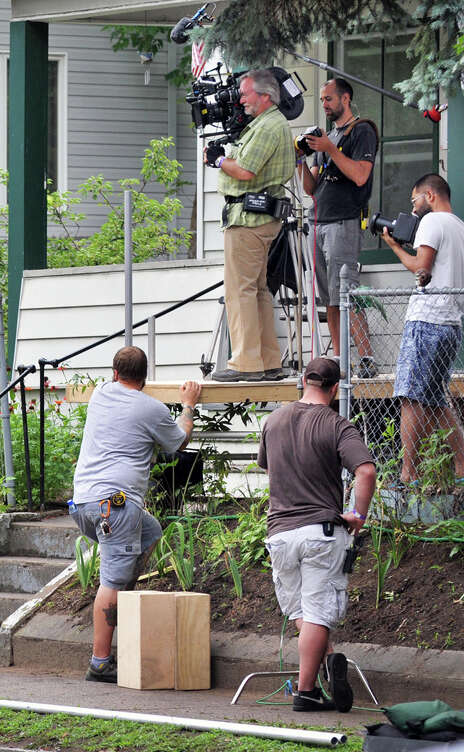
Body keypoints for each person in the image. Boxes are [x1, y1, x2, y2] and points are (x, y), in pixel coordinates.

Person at [70, 346, 202, 683]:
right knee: (111, 580)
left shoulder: (100, 393)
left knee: (150, 532)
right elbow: (178, 441)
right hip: (115, 506)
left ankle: (123, 605)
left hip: (85, 504)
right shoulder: (150, 408)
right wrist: (188, 405)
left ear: (114, 373)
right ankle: (100, 662)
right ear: (144, 377)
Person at [258, 357, 375, 712]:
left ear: (302, 381)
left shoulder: (273, 421)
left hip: (279, 533)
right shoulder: (338, 425)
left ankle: (327, 659)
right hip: (320, 534)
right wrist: (357, 514)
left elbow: (268, 466)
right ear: (335, 388)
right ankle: (306, 692)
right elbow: (366, 472)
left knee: (302, 612)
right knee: (318, 614)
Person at [204, 69, 294, 382]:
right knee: (257, 291)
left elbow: (245, 170)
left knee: (239, 291)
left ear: (265, 95)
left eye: (245, 94)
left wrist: (218, 161)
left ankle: (244, 362)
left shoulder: (268, 125)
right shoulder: (271, 123)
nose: (241, 100)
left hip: (248, 219)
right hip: (261, 218)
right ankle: (268, 360)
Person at [380, 173, 464, 482]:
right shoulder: (460, 227)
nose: (413, 209)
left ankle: (407, 475)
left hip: (426, 320)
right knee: (437, 401)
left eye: (414, 200)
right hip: (451, 324)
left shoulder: (432, 222)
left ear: (429, 195)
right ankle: (461, 468)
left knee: (410, 398)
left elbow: (421, 267)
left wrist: (392, 245)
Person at [297, 79, 377, 372]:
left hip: (344, 220)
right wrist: (300, 161)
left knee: (347, 293)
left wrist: (331, 148)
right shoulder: (325, 138)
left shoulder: (362, 130)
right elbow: (310, 187)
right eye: (322, 100)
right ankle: (342, 361)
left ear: (345, 98)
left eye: (329, 99)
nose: (325, 105)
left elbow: (359, 175)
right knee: (329, 297)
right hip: (318, 221)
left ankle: (367, 358)